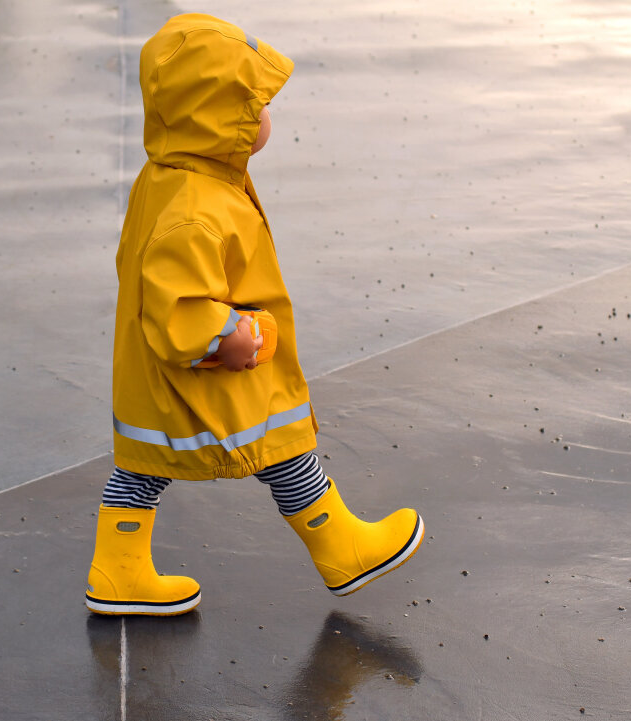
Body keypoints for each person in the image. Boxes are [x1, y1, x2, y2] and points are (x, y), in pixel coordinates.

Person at [85, 14, 424, 616]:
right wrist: (227, 339)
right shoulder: (194, 208)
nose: (266, 118)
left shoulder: (189, 175)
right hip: (206, 366)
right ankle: (341, 547)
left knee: (145, 467)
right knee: (279, 445)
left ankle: (119, 570)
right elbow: (178, 303)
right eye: (252, 106)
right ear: (210, 117)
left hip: (164, 374)